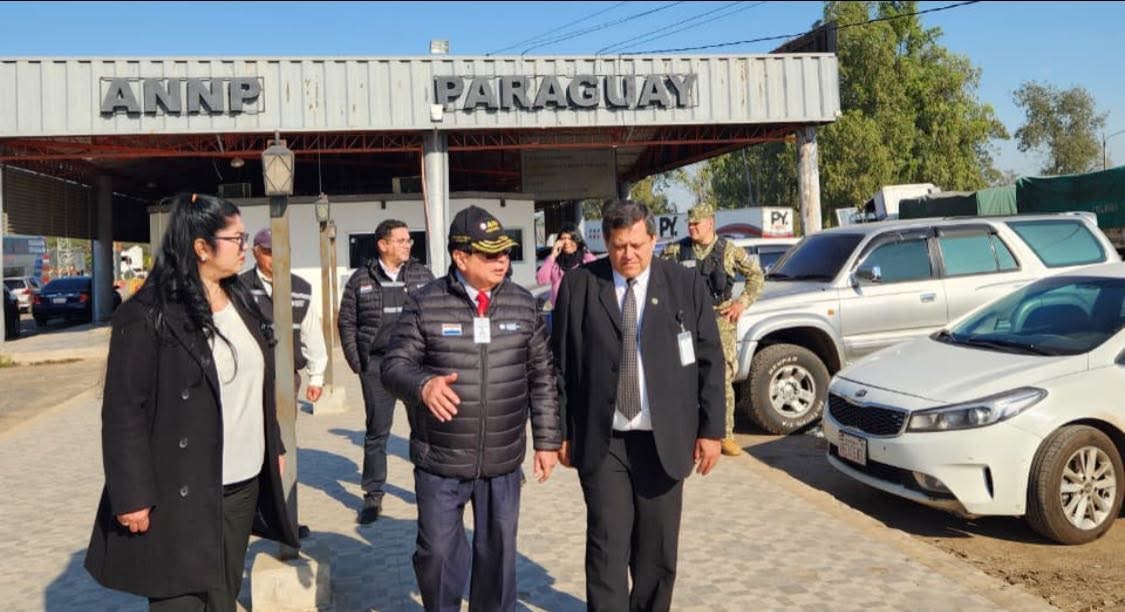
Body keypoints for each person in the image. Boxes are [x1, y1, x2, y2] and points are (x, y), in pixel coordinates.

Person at [85, 192, 298, 611]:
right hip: (178, 489)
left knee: (222, 597)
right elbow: (123, 411)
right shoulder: (147, 313)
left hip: (240, 483)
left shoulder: (241, 299)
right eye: (236, 239)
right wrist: (131, 495)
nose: (244, 247)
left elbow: (259, 382)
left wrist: (273, 445)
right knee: (179, 601)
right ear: (201, 247)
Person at [381, 205, 561, 611]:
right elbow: (393, 367)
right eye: (490, 253)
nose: (502, 261)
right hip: (440, 458)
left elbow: (542, 376)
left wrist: (547, 441)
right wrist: (423, 385)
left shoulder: (523, 305)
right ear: (460, 257)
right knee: (438, 557)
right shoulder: (425, 304)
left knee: (498, 560)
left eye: (505, 252)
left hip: (502, 459)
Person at [551, 199, 724, 612]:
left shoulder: (684, 285)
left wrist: (712, 430)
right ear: (605, 243)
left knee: (656, 554)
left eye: (636, 245)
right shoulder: (579, 286)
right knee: (606, 548)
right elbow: (559, 365)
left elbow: (710, 360)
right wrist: (558, 432)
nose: (628, 255)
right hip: (603, 441)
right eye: (618, 246)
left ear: (653, 239)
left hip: (664, 441)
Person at [337, 219, 434, 525]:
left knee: (422, 430)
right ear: (383, 244)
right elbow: (346, 321)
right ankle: (373, 495)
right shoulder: (360, 279)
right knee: (378, 432)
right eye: (402, 240)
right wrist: (358, 362)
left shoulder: (422, 275)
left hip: (414, 365)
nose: (408, 245)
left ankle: (427, 489)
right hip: (377, 366)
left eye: (409, 240)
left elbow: (436, 314)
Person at [660, 203, 764, 456]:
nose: (692, 228)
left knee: (722, 377)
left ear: (710, 223)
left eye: (697, 224)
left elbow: (756, 276)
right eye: (689, 224)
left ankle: (724, 434)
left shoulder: (729, 251)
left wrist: (742, 303)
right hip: (686, 322)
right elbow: (658, 276)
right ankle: (689, 431)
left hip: (720, 322)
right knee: (685, 375)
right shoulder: (677, 251)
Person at [241, 228, 328, 403]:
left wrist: (316, 378)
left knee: (284, 421)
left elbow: (312, 335)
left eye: (280, 251)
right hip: (248, 378)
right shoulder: (240, 287)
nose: (275, 257)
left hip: (288, 376)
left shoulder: (301, 289)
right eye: (268, 252)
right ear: (255, 253)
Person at [535, 222, 597, 308]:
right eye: (563, 238)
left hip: (581, 309)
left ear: (577, 240)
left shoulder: (585, 259)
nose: (567, 242)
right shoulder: (554, 261)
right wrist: (552, 255)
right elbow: (541, 280)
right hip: (559, 309)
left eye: (571, 238)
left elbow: (598, 278)